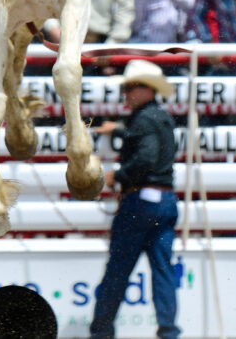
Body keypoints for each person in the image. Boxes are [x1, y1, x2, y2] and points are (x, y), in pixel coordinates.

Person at [90, 60, 179, 339]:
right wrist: (118, 130)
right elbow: (146, 141)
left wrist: (116, 176)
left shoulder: (143, 120)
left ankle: (101, 333)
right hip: (165, 201)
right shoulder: (161, 118)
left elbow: (145, 157)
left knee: (117, 271)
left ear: (146, 89)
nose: (125, 93)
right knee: (163, 271)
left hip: (139, 203)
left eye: (130, 87)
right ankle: (168, 332)